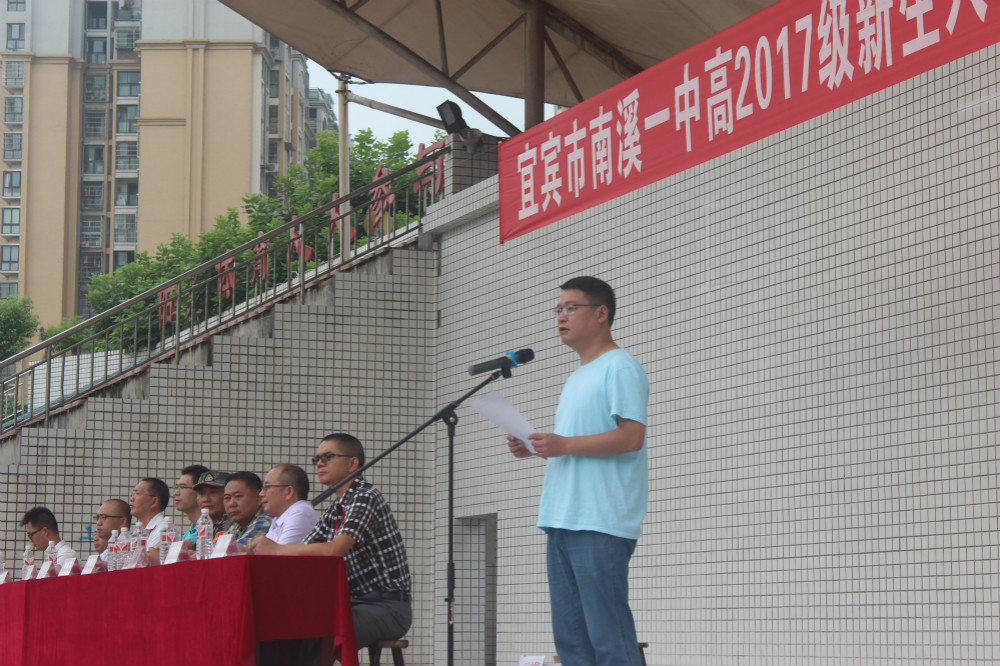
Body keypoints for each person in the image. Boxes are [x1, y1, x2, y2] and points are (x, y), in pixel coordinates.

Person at [507, 276, 650, 666]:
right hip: (561, 518)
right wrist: (538, 448)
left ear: (601, 313)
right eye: (558, 310)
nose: (561, 317)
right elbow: (576, 446)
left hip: (600, 521)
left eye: (571, 308)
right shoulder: (576, 376)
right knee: (572, 644)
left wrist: (565, 445)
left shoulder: (620, 367)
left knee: (610, 639)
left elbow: (631, 437)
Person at [248, 434, 411, 649]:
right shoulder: (336, 508)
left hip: (387, 606)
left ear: (352, 463)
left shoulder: (365, 496)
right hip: (352, 603)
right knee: (287, 627)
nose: (320, 463)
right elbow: (304, 548)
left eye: (328, 457)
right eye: (317, 459)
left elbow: (335, 549)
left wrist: (276, 549)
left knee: (316, 633)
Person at [259, 463, 319, 545]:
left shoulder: (300, 513)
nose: (261, 494)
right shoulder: (279, 518)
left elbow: (279, 553)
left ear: (289, 492)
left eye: (267, 487)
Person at [223, 471, 273, 548]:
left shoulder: (264, 520)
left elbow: (236, 551)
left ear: (258, 497)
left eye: (238, 496)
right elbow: (216, 549)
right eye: (227, 498)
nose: (231, 504)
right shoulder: (237, 526)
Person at [21, 506, 79, 572]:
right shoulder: (55, 554)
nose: (30, 540)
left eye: (30, 535)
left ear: (45, 531)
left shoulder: (66, 555)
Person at [129, 477, 170, 564]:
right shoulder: (139, 530)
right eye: (132, 494)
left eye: (137, 493)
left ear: (154, 501)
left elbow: (142, 562)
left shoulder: (164, 530)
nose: (131, 499)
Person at [175, 464, 209, 545]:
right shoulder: (188, 534)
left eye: (183, 487)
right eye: (176, 487)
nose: (176, 493)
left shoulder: (211, 530)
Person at [193, 470, 233, 535]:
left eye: (213, 493)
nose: (206, 499)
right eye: (202, 493)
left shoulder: (233, 525)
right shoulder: (201, 525)